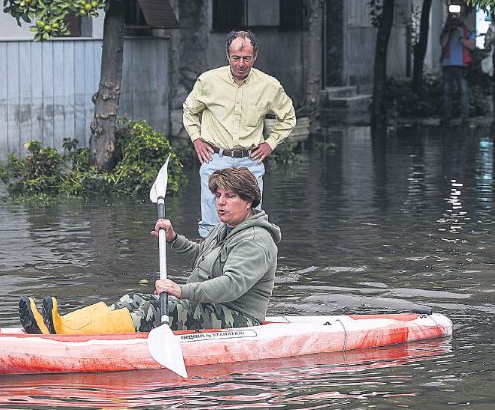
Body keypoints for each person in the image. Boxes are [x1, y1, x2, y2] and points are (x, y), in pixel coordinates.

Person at [19, 167, 281, 334]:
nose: (221, 203)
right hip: (210, 305)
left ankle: (70, 335)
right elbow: (202, 258)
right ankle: (62, 325)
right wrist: (173, 238)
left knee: (156, 311)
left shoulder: (256, 240)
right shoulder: (226, 228)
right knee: (132, 300)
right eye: (218, 195)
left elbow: (230, 286)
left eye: (230, 196)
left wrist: (181, 291)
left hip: (239, 318)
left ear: (249, 202)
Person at [183, 30, 295, 238]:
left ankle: (248, 266)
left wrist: (270, 143)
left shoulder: (269, 85)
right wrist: (196, 139)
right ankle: (210, 266)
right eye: (236, 58)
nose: (241, 64)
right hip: (214, 158)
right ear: (227, 56)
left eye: (246, 58)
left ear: (255, 56)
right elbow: (189, 110)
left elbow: (288, 117)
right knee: (211, 224)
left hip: (250, 162)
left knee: (252, 224)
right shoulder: (208, 81)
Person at [440, 5, 475, 125]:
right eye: (453, 14)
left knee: (463, 92)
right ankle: (446, 118)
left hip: (462, 64)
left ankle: (465, 119)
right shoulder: (446, 28)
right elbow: (443, 44)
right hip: (447, 63)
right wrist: (449, 30)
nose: (455, 16)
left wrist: (460, 38)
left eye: (457, 14)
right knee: (446, 91)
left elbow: (472, 45)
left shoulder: (467, 29)